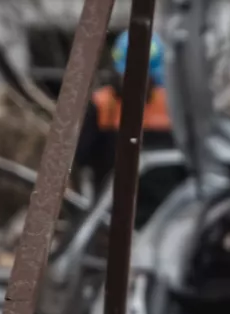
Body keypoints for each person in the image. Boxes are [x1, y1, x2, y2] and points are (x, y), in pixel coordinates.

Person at [74, 31, 175, 198]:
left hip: (161, 209)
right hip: (111, 205)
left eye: (145, 77)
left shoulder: (169, 105)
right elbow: (81, 158)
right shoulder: (102, 105)